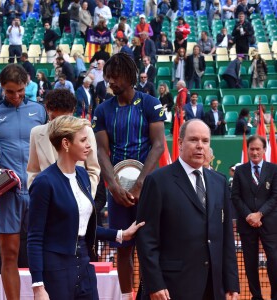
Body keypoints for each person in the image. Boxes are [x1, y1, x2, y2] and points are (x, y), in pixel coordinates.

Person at [28, 115, 145, 300]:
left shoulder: (82, 175)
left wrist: (120, 234)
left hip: (84, 263)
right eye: (83, 140)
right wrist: (38, 286)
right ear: (66, 144)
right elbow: (34, 237)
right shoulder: (44, 183)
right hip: (56, 270)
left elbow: (81, 225)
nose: (89, 145)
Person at [136, 119, 240, 300]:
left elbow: (226, 239)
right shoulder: (157, 181)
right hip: (171, 287)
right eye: (194, 140)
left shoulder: (219, 181)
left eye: (205, 141)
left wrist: (231, 283)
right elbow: (146, 239)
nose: (200, 146)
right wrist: (155, 283)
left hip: (213, 287)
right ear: (180, 143)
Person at [93, 53, 165, 300]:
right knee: (123, 247)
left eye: (114, 76)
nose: (110, 81)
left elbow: (158, 146)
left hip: (147, 189)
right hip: (118, 191)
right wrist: (113, 186)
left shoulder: (150, 103)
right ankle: (126, 297)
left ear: (129, 76)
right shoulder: (103, 109)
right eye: (107, 77)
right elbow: (101, 150)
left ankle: (148, 294)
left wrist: (140, 184)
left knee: (149, 248)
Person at [0, 64, 47, 300]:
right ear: (1, 88)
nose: (16, 97)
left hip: (39, 192)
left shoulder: (40, 111)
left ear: (26, 85)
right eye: (10, 92)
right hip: (8, 194)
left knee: (44, 252)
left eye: (19, 91)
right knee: (9, 255)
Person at [27, 89, 99, 196]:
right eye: (54, 119)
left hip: (78, 200)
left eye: (64, 119)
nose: (59, 125)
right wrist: (38, 196)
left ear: (73, 111)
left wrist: (85, 198)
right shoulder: (36, 133)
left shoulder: (86, 131)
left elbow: (93, 170)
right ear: (47, 109)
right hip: (47, 201)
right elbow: (33, 171)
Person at [231, 134, 277, 300]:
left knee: (274, 260)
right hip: (247, 224)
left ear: (264, 150)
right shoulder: (240, 171)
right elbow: (235, 196)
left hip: (269, 224)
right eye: (252, 149)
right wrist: (249, 215)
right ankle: (256, 296)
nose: (255, 152)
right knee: (250, 263)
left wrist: (260, 214)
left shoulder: (274, 169)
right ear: (248, 150)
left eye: (258, 149)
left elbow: (275, 196)